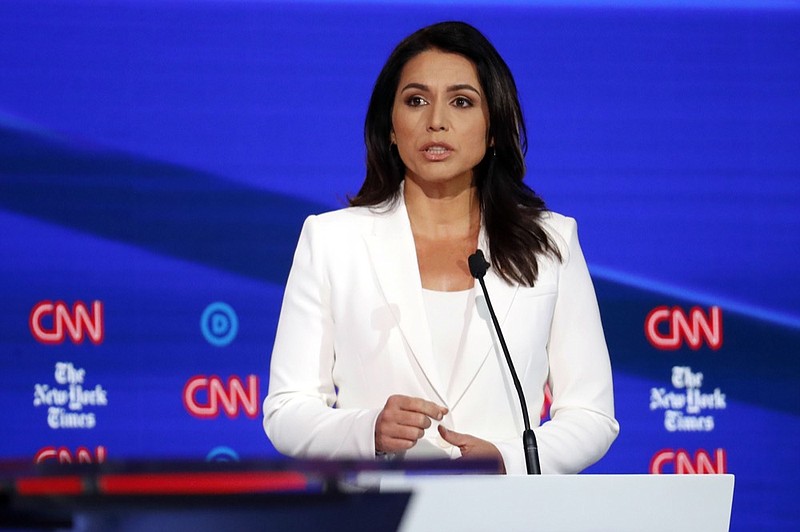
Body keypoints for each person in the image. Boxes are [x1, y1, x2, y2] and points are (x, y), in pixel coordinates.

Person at [263, 21, 619, 475]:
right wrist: (366, 429)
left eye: (461, 101)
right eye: (415, 100)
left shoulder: (551, 241)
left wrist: (507, 460)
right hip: (379, 514)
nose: (436, 121)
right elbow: (287, 410)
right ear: (390, 127)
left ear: (493, 130)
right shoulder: (332, 240)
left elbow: (591, 416)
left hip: (507, 514)